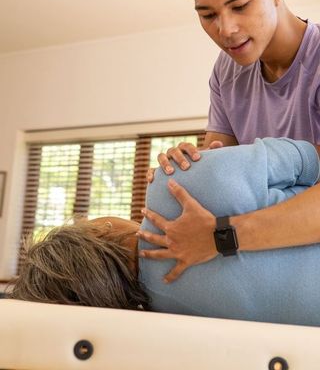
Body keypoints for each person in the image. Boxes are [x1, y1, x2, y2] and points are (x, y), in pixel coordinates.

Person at [141, 0, 320, 283]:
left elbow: (221, 225)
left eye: (240, 6)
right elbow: (222, 183)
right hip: (268, 274)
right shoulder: (227, 72)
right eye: (208, 15)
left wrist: (222, 236)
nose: (226, 30)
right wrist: (183, 177)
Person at [9, 137, 320, 326]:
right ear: (101, 232)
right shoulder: (172, 182)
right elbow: (311, 160)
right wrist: (211, 166)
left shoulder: (172, 315)